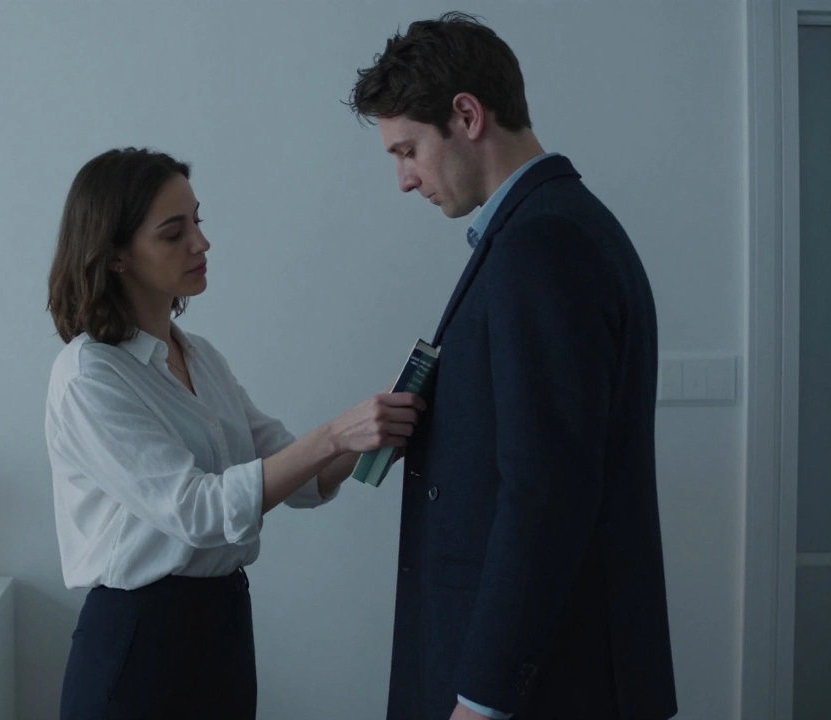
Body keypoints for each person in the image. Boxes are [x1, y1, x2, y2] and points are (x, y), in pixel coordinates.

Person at [346, 12, 678, 720]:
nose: (404, 180)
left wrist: (483, 697)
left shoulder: (543, 244)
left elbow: (546, 489)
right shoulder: (549, 226)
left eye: (407, 150)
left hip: (541, 685)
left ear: (466, 115)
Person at [44, 147, 427, 719]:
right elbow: (197, 510)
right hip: (138, 641)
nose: (201, 243)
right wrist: (334, 434)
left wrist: (373, 434)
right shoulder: (90, 376)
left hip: (221, 627)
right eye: (174, 232)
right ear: (117, 255)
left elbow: (300, 478)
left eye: (198, 221)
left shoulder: (201, 357)